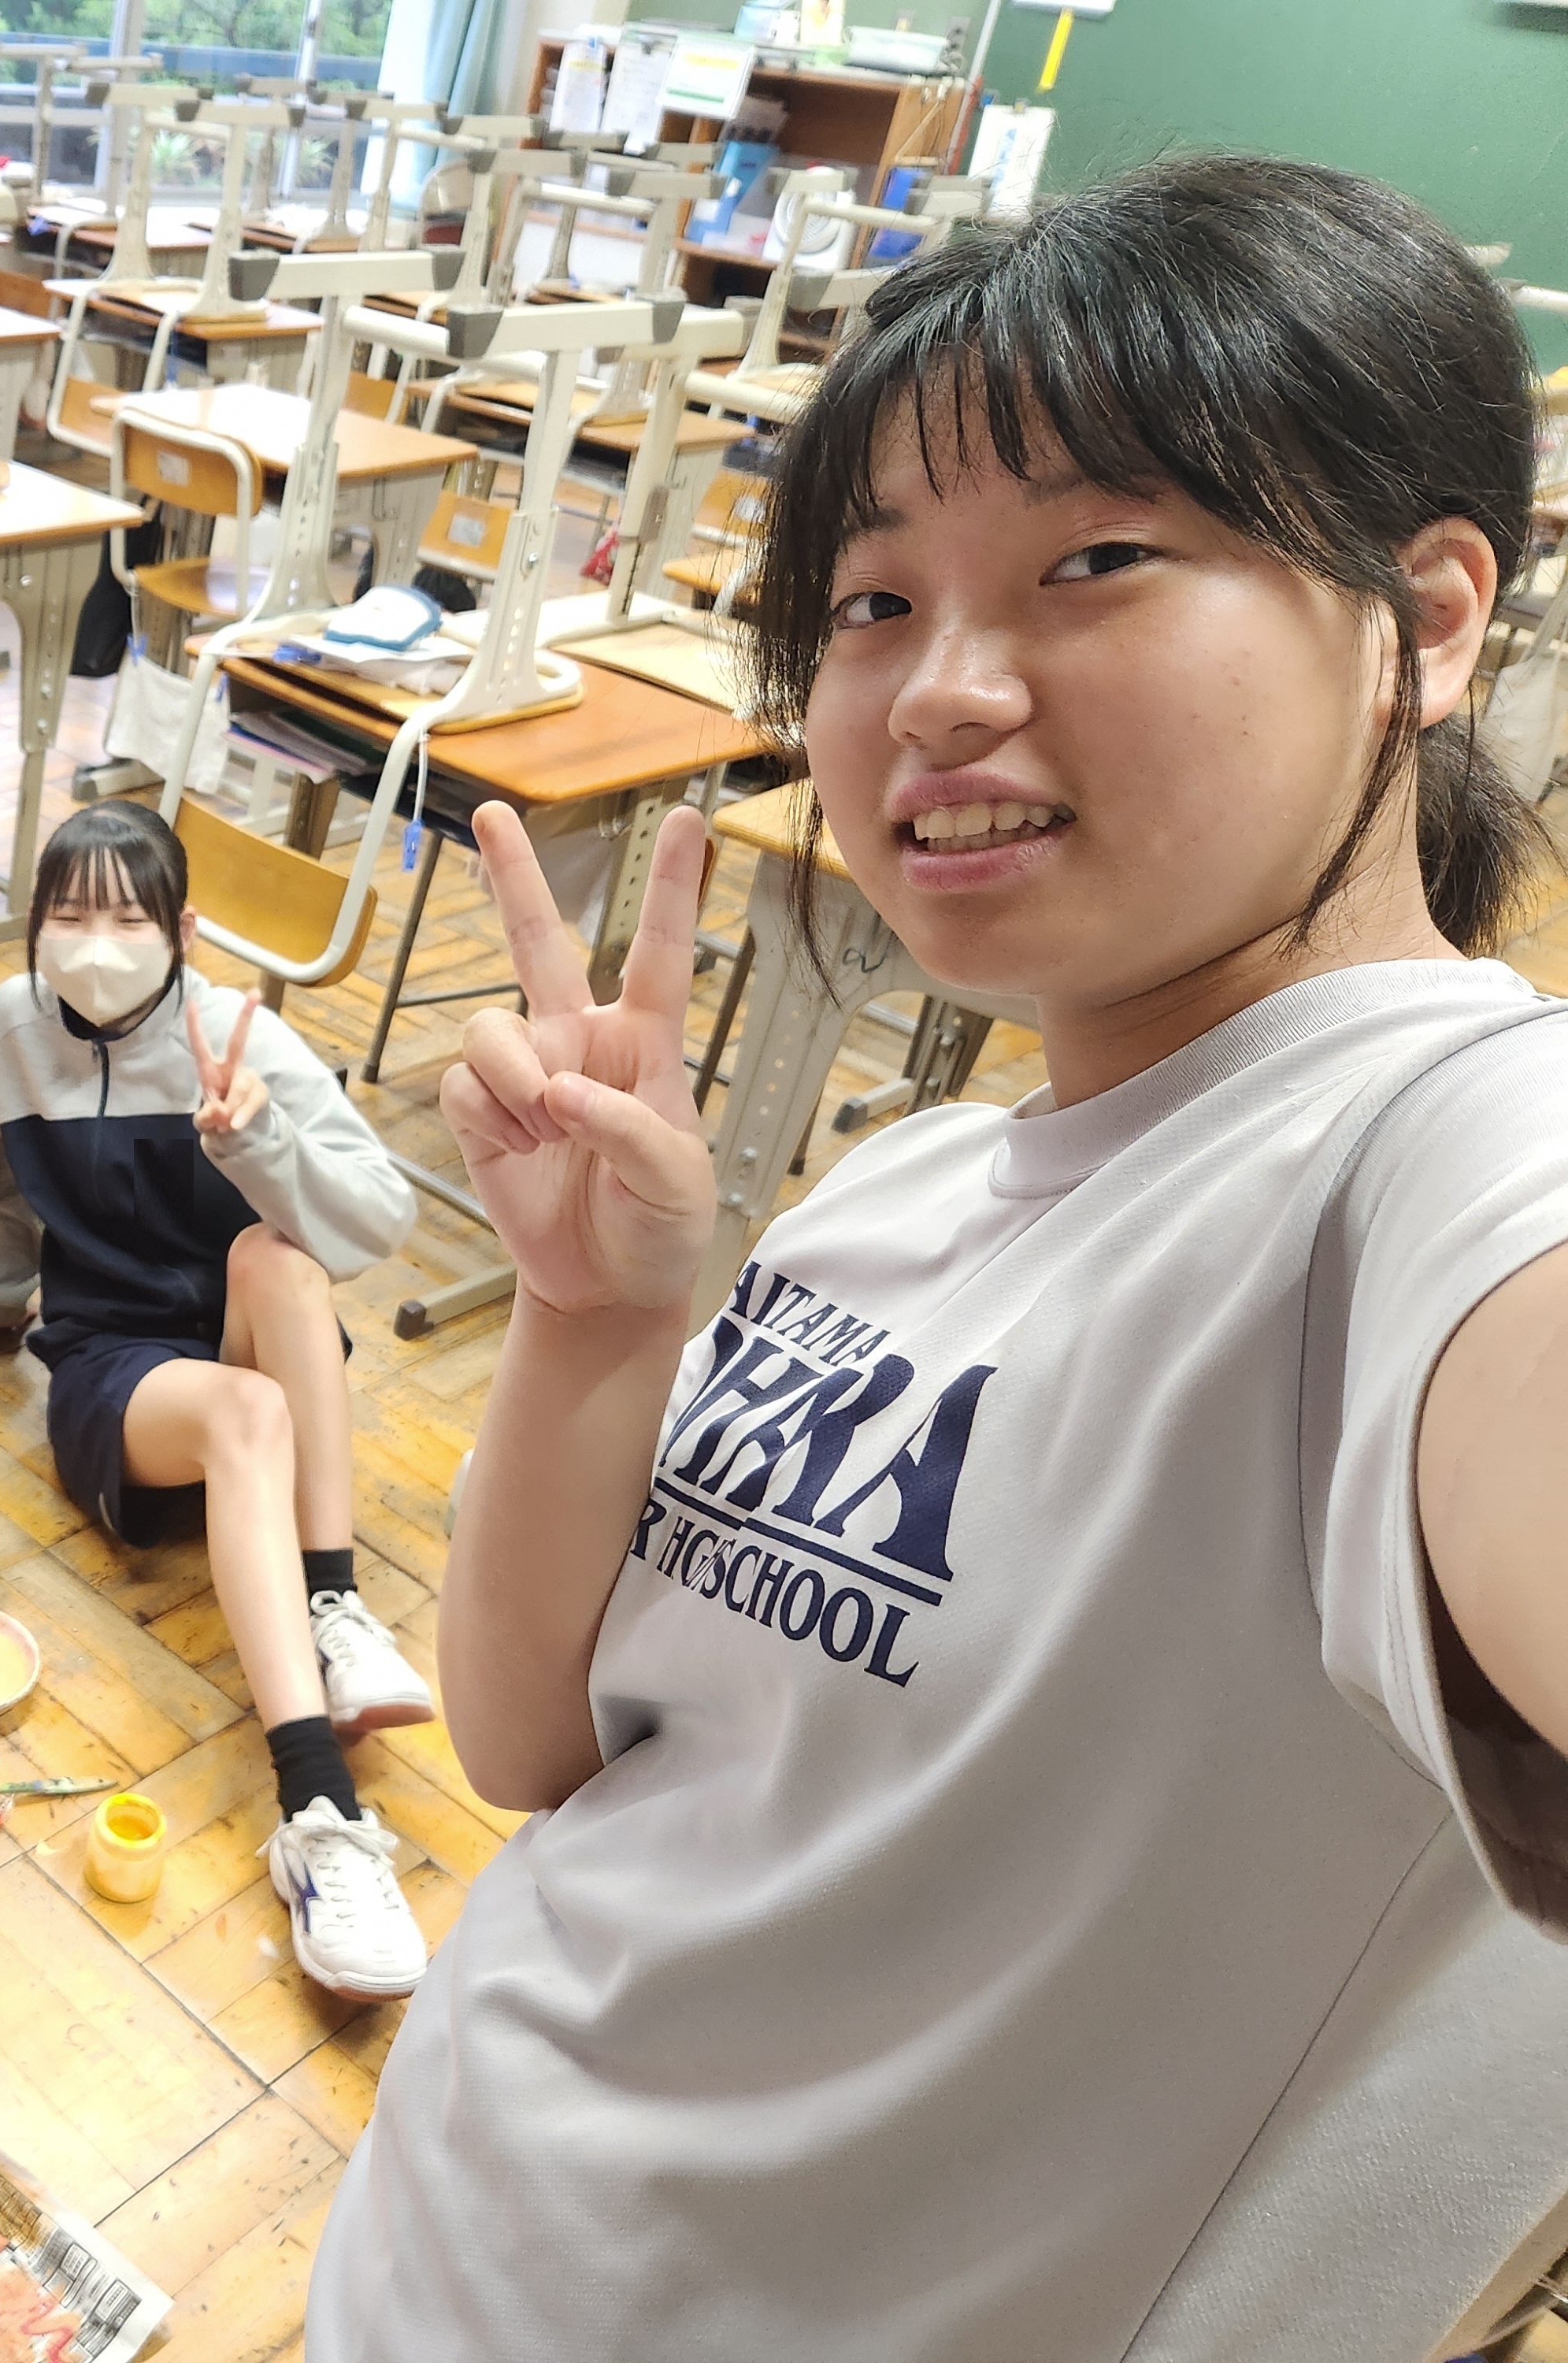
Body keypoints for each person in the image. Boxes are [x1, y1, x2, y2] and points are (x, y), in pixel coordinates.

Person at [310, 158, 1568, 2360]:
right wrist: (598, 1317)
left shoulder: (1435, 1166)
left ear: (1428, 619)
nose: (939, 694)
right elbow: (528, 1742)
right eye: (875, 601)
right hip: (425, 2260)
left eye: (1097, 561)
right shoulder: (904, 1185)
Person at [0, 803, 435, 1998]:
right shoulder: (12, 1024)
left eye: (129, 918)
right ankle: (319, 1808)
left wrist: (259, 1143)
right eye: (69, 915)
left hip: (235, 1336)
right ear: (33, 926)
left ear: (183, 932)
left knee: (282, 1262)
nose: (95, 944)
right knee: (246, 1414)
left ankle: (332, 1608)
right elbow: (2, 1184)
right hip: (119, 1370)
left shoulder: (233, 1033)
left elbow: (381, 1222)